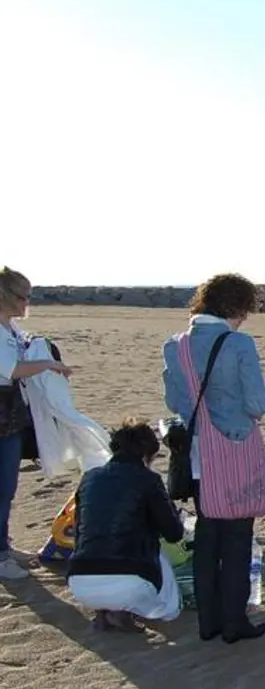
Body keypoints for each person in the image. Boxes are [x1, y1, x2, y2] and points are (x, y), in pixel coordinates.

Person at [162, 274, 265, 643]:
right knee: (238, 536)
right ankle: (234, 620)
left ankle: (209, 620)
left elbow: (175, 403)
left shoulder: (175, 347)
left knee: (208, 535)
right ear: (236, 307)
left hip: (196, 452)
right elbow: (258, 404)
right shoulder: (239, 344)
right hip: (235, 447)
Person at [66, 418, 185, 632]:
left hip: (79, 579)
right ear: (146, 454)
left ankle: (104, 610)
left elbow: (80, 528)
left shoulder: (90, 477)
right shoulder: (148, 479)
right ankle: (119, 611)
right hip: (128, 579)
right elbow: (174, 533)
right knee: (169, 607)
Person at [0, 267, 73, 581]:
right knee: (2, 487)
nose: (26, 302)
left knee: (8, 486)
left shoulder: (11, 326)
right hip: (3, 410)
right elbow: (12, 369)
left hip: (12, 412)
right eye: (22, 296)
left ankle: (3, 546)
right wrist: (49, 364)